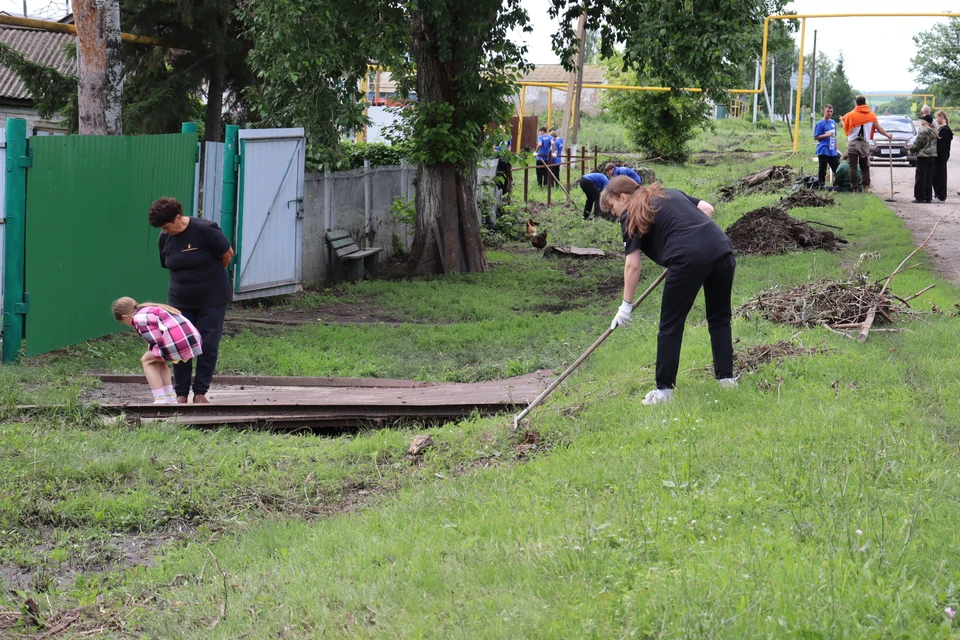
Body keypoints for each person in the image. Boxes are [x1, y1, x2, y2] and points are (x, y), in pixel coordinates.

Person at [601, 177, 736, 406]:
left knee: (670, 326)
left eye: (612, 207)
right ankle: (727, 381)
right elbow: (707, 208)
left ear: (623, 197)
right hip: (722, 250)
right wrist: (694, 238)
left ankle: (664, 392)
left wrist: (625, 306)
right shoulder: (668, 193)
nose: (613, 214)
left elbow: (633, 265)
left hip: (687, 259)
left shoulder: (630, 215)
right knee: (719, 318)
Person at [149, 197, 235, 404]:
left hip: (212, 298)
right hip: (179, 301)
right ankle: (181, 394)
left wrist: (210, 277)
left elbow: (227, 254)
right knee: (179, 344)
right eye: (162, 228)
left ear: (178, 217)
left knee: (207, 344)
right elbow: (168, 263)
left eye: (168, 226)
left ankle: (200, 392)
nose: (166, 231)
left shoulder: (205, 229)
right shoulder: (165, 238)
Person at [112, 297, 203, 404]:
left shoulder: (138, 319)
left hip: (180, 341)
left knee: (146, 360)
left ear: (125, 317)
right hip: (192, 339)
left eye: (124, 323)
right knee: (158, 360)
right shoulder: (148, 310)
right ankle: (169, 398)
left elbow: (155, 342)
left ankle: (159, 399)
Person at [842, 96, 891, 193]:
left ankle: (854, 189)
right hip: (864, 144)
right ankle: (865, 188)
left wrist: (842, 121)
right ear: (865, 104)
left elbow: (845, 127)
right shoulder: (871, 116)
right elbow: (879, 129)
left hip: (853, 143)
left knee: (853, 167)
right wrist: (888, 135)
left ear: (856, 104)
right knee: (865, 167)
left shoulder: (849, 115)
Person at [910, 113, 939, 203]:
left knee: (920, 176)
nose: (921, 120)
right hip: (932, 156)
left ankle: (920, 197)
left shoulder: (924, 131)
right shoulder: (934, 131)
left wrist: (911, 151)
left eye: (922, 119)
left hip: (923, 156)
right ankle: (928, 196)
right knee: (928, 177)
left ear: (926, 121)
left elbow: (917, 143)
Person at [814, 104, 841, 188]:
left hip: (832, 150)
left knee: (837, 169)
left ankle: (838, 185)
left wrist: (837, 149)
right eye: (827, 111)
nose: (829, 113)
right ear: (824, 111)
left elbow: (834, 136)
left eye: (831, 111)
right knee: (823, 169)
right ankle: (821, 186)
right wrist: (826, 135)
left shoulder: (833, 122)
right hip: (824, 149)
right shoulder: (820, 123)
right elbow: (816, 137)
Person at [934, 110, 953, 202]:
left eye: (937, 117)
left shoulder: (945, 130)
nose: (936, 119)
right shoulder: (942, 129)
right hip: (939, 156)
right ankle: (938, 194)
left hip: (941, 157)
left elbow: (942, 145)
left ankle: (941, 196)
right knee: (937, 175)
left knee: (940, 176)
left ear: (941, 117)